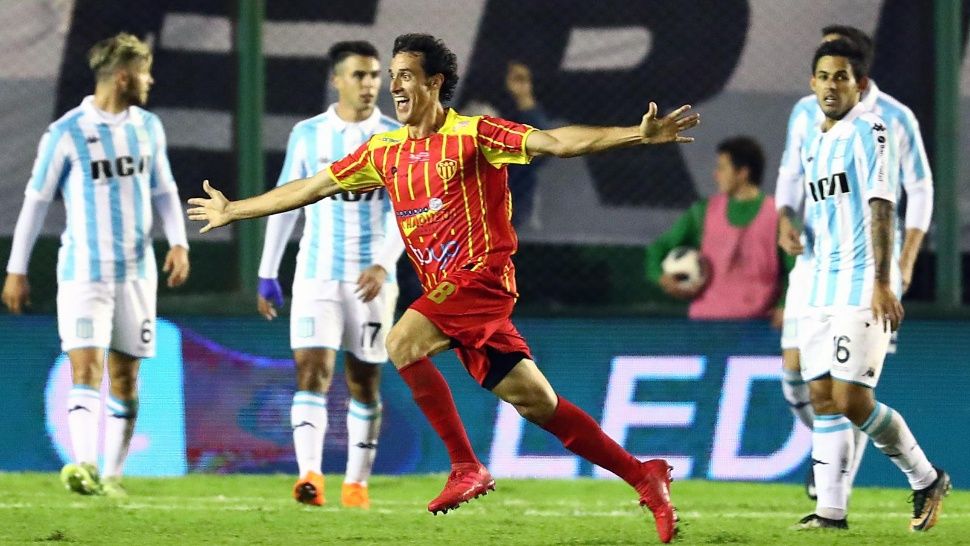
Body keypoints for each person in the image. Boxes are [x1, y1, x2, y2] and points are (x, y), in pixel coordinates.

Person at [188, 33, 698, 543]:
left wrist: (637, 134)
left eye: (405, 76)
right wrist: (234, 210)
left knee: (400, 342)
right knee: (537, 402)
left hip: (481, 279)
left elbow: (558, 142)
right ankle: (642, 474)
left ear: (434, 83)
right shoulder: (384, 151)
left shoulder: (475, 135)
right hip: (452, 295)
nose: (394, 87)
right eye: (392, 77)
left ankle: (465, 466)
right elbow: (311, 187)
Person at [0, 33, 191, 498]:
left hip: (136, 273)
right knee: (85, 366)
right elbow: (36, 202)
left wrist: (179, 242)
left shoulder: (148, 127)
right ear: (123, 77)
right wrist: (16, 269)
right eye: (144, 72)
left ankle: (112, 476)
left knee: (126, 376)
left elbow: (164, 189)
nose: (150, 80)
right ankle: (84, 466)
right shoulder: (66, 132)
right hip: (84, 272)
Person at [784, 39, 948, 531]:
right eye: (824, 76)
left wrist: (883, 280)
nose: (831, 86)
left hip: (863, 282)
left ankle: (925, 477)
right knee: (821, 395)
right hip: (820, 284)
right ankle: (830, 514)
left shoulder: (872, 130)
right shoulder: (815, 140)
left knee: (852, 398)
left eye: (842, 77)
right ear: (812, 83)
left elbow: (882, 204)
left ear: (859, 85)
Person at [255, 41, 403, 509]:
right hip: (316, 275)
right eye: (359, 75)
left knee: (364, 381)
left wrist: (384, 263)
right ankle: (310, 477)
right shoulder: (308, 135)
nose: (370, 84)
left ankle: (356, 484)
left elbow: (407, 212)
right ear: (336, 80)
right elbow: (286, 201)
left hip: (371, 282)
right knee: (311, 371)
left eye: (375, 75)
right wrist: (267, 271)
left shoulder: (396, 138)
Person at [645, 136, 793, 323]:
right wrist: (662, 278)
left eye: (722, 168)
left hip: (758, 326)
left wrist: (784, 305)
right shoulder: (703, 212)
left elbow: (796, 267)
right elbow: (658, 248)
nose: (715, 175)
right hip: (706, 323)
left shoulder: (777, 215)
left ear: (742, 173)